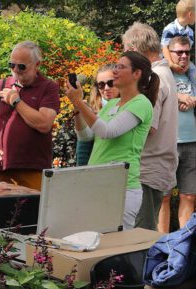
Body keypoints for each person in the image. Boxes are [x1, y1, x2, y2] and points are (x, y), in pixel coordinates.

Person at [67, 52, 157, 229]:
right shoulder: (113, 104)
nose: (115, 71)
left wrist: (79, 102)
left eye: (121, 67)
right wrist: (77, 109)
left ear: (136, 74)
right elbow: (86, 136)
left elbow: (109, 131)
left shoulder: (141, 103)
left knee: (116, 249)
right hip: (99, 184)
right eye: (116, 66)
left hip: (121, 188)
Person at [122, 22, 177, 232]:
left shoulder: (154, 78)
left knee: (139, 237)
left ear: (133, 51)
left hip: (145, 169)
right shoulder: (164, 74)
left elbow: (147, 129)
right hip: (154, 167)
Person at [0, 41, 60, 191]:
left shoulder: (48, 87)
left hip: (34, 168)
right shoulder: (2, 85)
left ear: (37, 64)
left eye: (21, 66)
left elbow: (44, 124)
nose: (15, 70)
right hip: (5, 168)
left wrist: (16, 101)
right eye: (11, 65)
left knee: (34, 212)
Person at [163, 35, 196, 231]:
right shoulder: (163, 73)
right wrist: (178, 96)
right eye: (179, 52)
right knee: (163, 197)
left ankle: (183, 244)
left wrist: (191, 99)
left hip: (192, 142)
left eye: (187, 52)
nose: (183, 56)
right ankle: (161, 244)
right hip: (169, 143)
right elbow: (154, 93)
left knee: (189, 195)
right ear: (169, 53)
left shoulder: (193, 73)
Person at [74, 64, 118, 167]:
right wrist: (78, 108)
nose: (106, 88)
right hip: (93, 168)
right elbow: (85, 138)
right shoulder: (94, 108)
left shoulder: (131, 105)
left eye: (111, 83)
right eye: (101, 85)